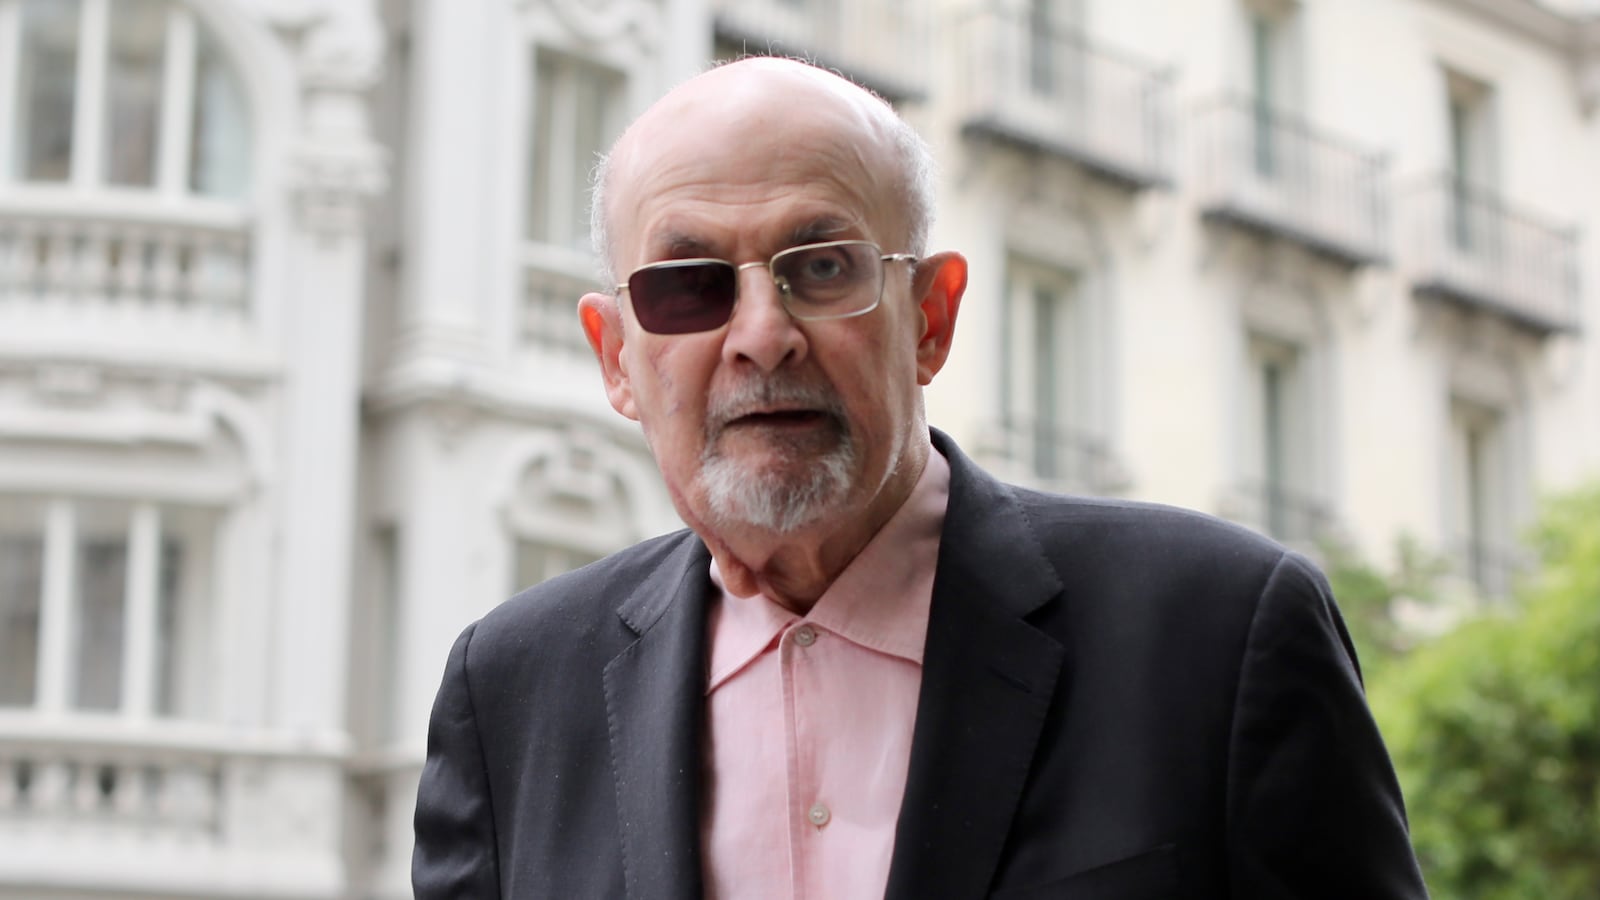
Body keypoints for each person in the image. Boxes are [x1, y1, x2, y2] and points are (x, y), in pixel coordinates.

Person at [412, 57, 1429, 899]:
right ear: (614, 360)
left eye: (821, 267)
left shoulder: (1218, 633)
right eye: (689, 286)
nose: (761, 337)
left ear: (930, 320)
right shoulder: (510, 694)